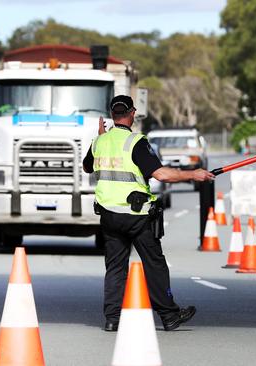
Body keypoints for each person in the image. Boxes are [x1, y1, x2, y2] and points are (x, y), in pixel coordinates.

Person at [83, 95, 215, 332]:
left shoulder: (99, 142)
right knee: (154, 263)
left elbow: (87, 166)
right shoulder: (135, 142)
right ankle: (169, 315)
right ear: (132, 113)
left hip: (109, 215)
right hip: (136, 215)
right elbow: (162, 175)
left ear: (112, 115)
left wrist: (101, 137)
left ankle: (112, 319)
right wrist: (193, 174)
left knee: (115, 267)